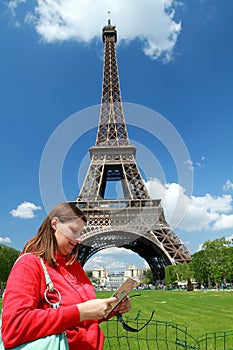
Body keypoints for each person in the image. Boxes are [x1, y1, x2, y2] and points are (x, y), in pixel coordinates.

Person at [1, 202, 131, 350]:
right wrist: (80, 312)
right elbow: (14, 327)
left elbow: (79, 320)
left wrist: (110, 309)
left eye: (80, 233)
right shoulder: (29, 264)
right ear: (55, 224)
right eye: (73, 230)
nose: (79, 239)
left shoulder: (74, 266)